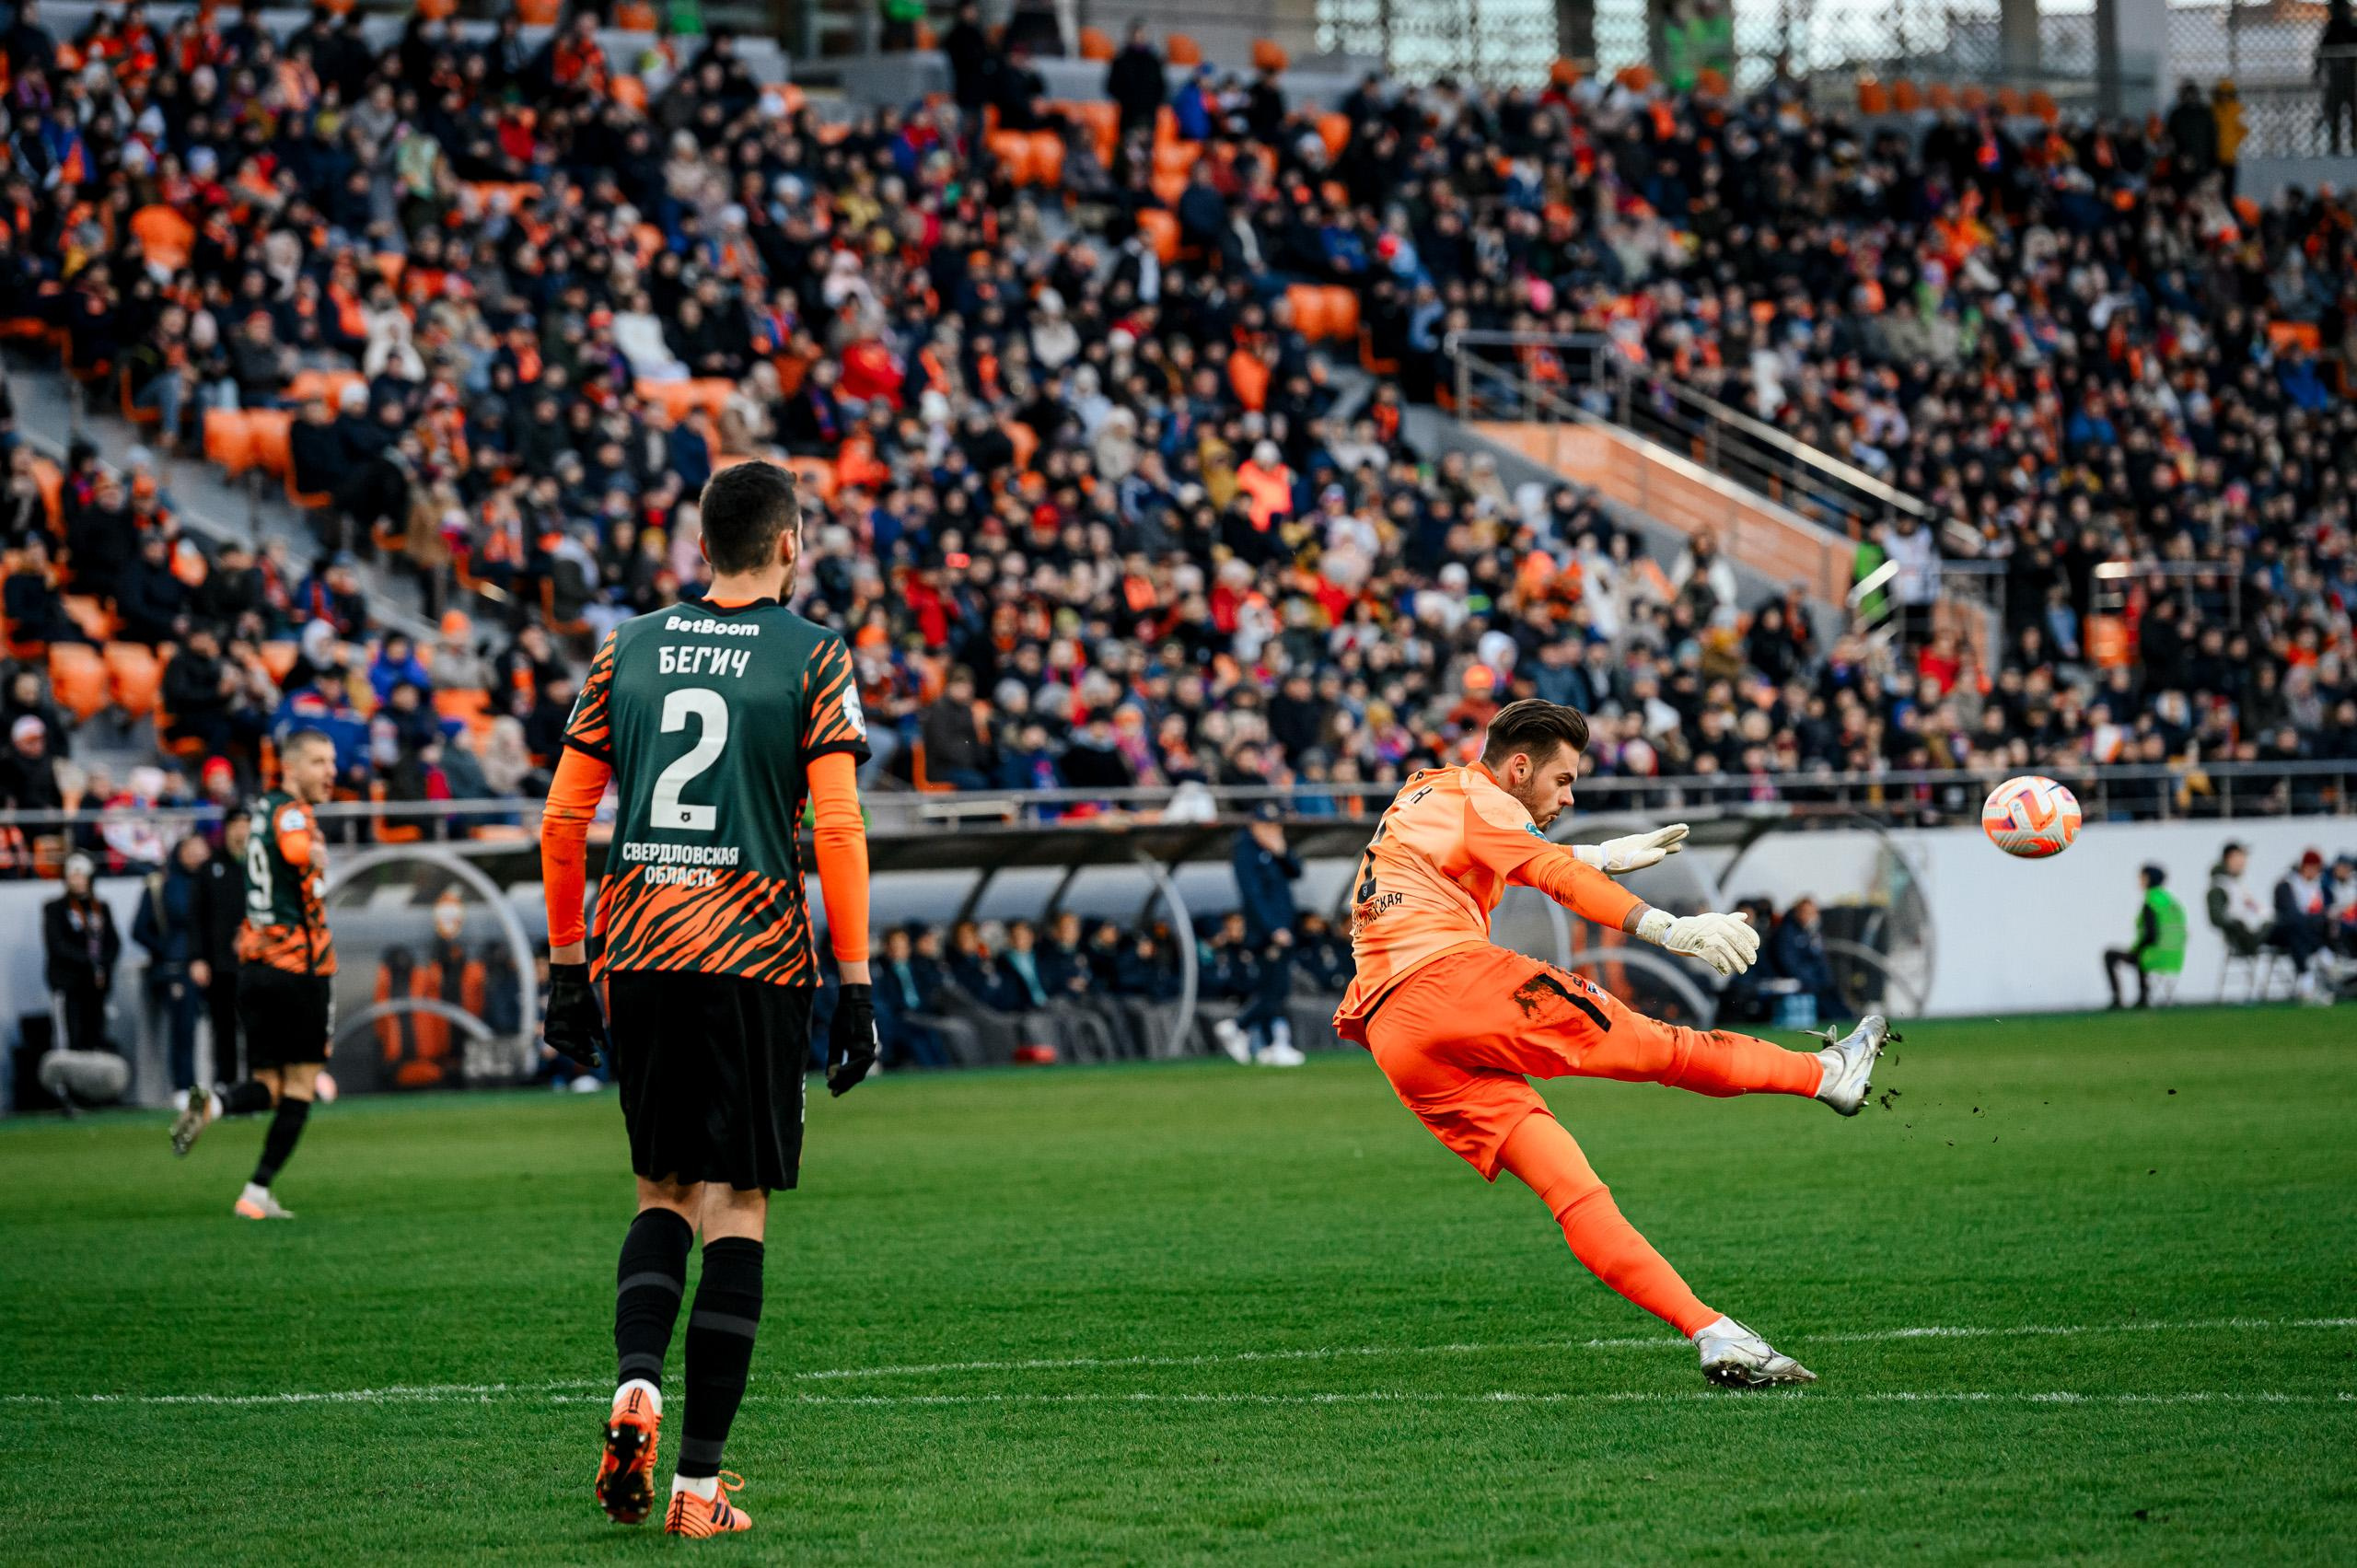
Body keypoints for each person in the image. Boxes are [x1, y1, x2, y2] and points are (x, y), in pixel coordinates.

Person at [1332, 699, 1892, 1388]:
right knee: (1668, 1049)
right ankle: (1826, 1073)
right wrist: (1668, 927)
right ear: (1518, 766)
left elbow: (1486, 852)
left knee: (1573, 1190)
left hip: (1393, 1031)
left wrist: (1600, 853)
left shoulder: (1428, 787)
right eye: (1563, 780)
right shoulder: (1486, 801)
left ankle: (1713, 1332)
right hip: (1452, 981)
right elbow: (1548, 874)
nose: (1569, 795)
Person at [537, 459, 876, 1538]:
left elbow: (560, 822)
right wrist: (857, 977)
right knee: (737, 1202)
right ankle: (695, 1485)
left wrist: (562, 960)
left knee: (658, 1190)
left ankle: (637, 1376)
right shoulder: (814, 652)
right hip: (751, 953)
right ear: (788, 544)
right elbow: (837, 827)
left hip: (634, 945)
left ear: (701, 542)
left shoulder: (624, 645)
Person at [168, 730, 341, 1220]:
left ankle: (216, 1105)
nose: (330, 770)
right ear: (290, 768)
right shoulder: (291, 812)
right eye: (317, 761)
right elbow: (292, 849)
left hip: (254, 970)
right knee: (303, 1084)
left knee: (269, 1086)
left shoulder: (261, 808)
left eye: (331, 760)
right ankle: (257, 1190)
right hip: (299, 968)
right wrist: (312, 854)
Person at [41, 853, 128, 1107]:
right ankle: (64, 1094)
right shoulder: (55, 909)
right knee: (70, 1041)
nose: (78, 880)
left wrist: (104, 965)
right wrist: (90, 963)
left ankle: (93, 1095)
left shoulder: (101, 908)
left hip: (95, 988)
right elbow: (57, 946)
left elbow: (113, 942)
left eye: (82, 875)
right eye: (73, 875)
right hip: (68, 985)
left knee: (95, 1039)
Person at [135, 833, 215, 1096]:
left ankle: (222, 1082)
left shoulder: (214, 881)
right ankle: (184, 1086)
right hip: (177, 968)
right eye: (191, 850)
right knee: (183, 1028)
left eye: (201, 850)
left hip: (215, 964)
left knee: (224, 1026)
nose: (197, 855)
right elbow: (140, 929)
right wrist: (167, 952)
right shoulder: (163, 884)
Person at [2103, 865, 2188, 1010]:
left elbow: (2151, 935)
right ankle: (2143, 995)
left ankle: (2123, 999)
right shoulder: (2173, 903)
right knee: (2141, 953)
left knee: (2110, 954)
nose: (2139, 881)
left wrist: (2136, 948)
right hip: (2176, 958)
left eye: (2141, 878)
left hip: (2154, 957)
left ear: (2147, 879)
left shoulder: (2151, 902)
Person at [2206, 842, 2271, 958]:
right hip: (2243, 939)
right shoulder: (2220, 885)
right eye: (2239, 857)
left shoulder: (2237, 885)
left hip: (2254, 933)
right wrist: (2236, 925)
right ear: (2228, 858)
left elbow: (2255, 908)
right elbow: (2216, 917)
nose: (2243, 861)